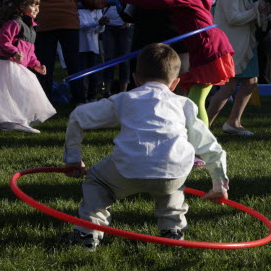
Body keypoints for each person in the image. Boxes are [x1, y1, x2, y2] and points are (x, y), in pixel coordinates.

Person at [59, 43, 229, 249]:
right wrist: (219, 185)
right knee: (173, 184)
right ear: (175, 83)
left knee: (98, 182)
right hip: (173, 169)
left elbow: (78, 116)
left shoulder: (125, 99)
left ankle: (88, 233)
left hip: (129, 166)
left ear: (135, 79)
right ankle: (172, 231)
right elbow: (210, 147)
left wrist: (73, 159)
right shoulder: (184, 104)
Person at [120, 0, 234, 124]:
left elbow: (162, 1)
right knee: (195, 98)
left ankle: (200, 138)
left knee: (196, 100)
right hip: (204, 46)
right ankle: (194, 134)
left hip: (207, 47)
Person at [31, 0, 107, 104]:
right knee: (73, 63)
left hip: (45, 22)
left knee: (45, 64)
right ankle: (79, 98)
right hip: (68, 21)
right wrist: (104, 2)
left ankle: (44, 101)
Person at [207, 0, 268, 136]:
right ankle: (204, 125)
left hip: (245, 42)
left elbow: (245, 12)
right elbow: (233, 17)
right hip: (233, 43)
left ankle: (233, 121)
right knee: (229, 85)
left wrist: (260, 11)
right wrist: (255, 10)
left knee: (250, 81)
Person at [0, 0, 56, 132]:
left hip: (19, 67)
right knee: (13, 93)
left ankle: (12, 121)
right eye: (33, 5)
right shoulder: (14, 23)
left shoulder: (31, 29)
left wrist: (36, 65)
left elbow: (30, 53)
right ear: (21, 6)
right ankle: (16, 120)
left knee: (18, 93)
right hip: (7, 65)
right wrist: (14, 52)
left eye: (38, 5)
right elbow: (3, 40)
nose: (36, 9)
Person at [98, 0, 137, 94]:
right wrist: (101, 17)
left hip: (125, 25)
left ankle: (123, 92)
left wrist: (129, 21)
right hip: (109, 23)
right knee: (109, 58)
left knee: (124, 59)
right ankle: (107, 90)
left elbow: (134, 4)